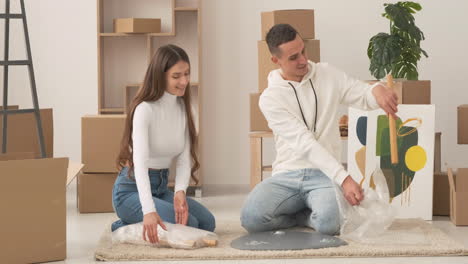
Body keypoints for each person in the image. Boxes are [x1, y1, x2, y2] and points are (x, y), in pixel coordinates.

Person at [241, 24, 398, 235]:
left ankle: (311, 213)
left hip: (325, 176)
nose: (303, 60)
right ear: (276, 61)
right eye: (294, 57)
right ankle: (304, 216)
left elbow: (361, 94)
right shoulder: (270, 99)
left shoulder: (327, 74)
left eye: (303, 51)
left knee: (329, 224)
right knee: (251, 218)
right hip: (287, 175)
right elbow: (304, 144)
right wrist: (345, 179)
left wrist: (377, 90)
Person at [111, 44, 215, 244]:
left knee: (206, 223)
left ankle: (136, 221)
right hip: (130, 190)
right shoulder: (144, 110)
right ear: (160, 76)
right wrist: (149, 211)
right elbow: (139, 165)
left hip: (160, 187)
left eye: (187, 74)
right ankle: (126, 224)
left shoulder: (185, 108)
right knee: (190, 224)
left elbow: (184, 159)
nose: (184, 81)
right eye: (176, 76)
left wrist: (180, 192)